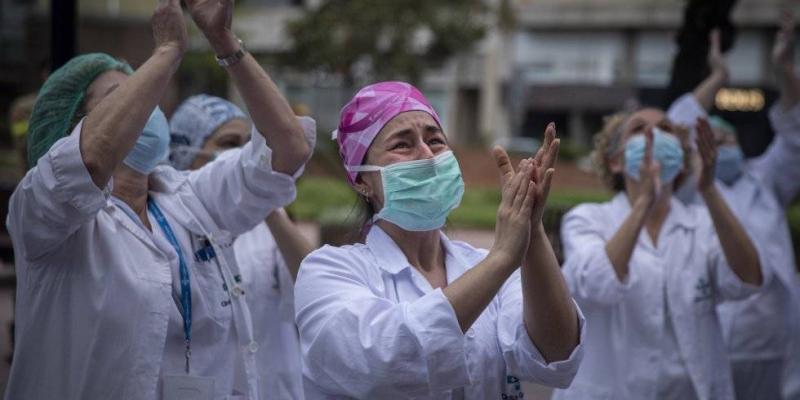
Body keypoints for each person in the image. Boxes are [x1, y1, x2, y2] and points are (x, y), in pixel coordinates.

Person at [4, 0, 314, 398]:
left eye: (149, 89)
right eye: (124, 94)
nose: (147, 104)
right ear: (74, 126)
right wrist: (167, 52)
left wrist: (224, 42)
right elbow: (92, 160)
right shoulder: (44, 209)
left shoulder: (187, 199)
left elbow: (288, 149)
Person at [294, 81, 584, 399]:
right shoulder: (328, 272)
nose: (427, 155)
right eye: (403, 145)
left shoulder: (485, 266)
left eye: (435, 140)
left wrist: (532, 228)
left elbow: (555, 356)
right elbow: (383, 363)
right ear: (363, 181)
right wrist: (501, 258)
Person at [554, 106, 767, 399]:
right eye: (638, 129)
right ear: (616, 161)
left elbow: (750, 279)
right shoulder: (587, 220)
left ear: (680, 161)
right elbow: (597, 282)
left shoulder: (704, 223)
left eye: (665, 129)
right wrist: (643, 203)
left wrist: (709, 190)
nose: (653, 134)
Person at [666, 18, 800, 400]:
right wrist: (719, 76)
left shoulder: (766, 180)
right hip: (711, 340)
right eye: (714, 138)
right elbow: (677, 124)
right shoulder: (690, 190)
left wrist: (786, 69)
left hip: (771, 345)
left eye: (728, 137)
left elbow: (795, 133)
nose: (722, 144)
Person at [169, 94, 316, 398]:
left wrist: (266, 202)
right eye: (227, 143)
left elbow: (314, 287)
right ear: (185, 152)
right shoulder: (167, 229)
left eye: (246, 143)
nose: (238, 153)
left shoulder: (268, 227)